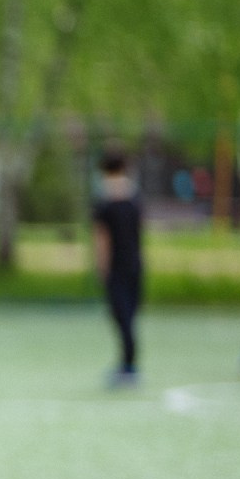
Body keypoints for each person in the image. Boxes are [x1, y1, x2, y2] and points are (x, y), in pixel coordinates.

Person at [90, 148, 145, 387]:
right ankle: (128, 363)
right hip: (134, 264)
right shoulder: (134, 199)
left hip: (117, 267)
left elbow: (102, 239)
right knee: (129, 316)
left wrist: (102, 268)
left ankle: (129, 365)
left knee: (121, 317)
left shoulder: (104, 202)